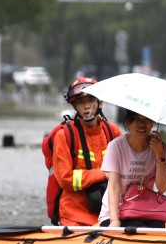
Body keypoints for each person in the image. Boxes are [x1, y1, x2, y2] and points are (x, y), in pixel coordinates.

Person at [52, 77, 121, 227]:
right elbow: (65, 179)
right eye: (80, 102)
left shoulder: (112, 132)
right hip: (74, 216)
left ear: (99, 102)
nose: (86, 106)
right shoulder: (64, 135)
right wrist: (102, 174)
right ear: (75, 106)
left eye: (90, 100)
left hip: (109, 213)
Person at [100, 109, 166, 228]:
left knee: (159, 225)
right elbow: (113, 185)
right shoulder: (115, 146)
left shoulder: (159, 147)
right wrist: (114, 220)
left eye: (147, 119)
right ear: (128, 122)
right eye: (137, 119)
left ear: (152, 123)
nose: (142, 124)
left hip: (144, 211)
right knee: (136, 225)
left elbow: (162, 188)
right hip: (116, 212)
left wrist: (159, 155)